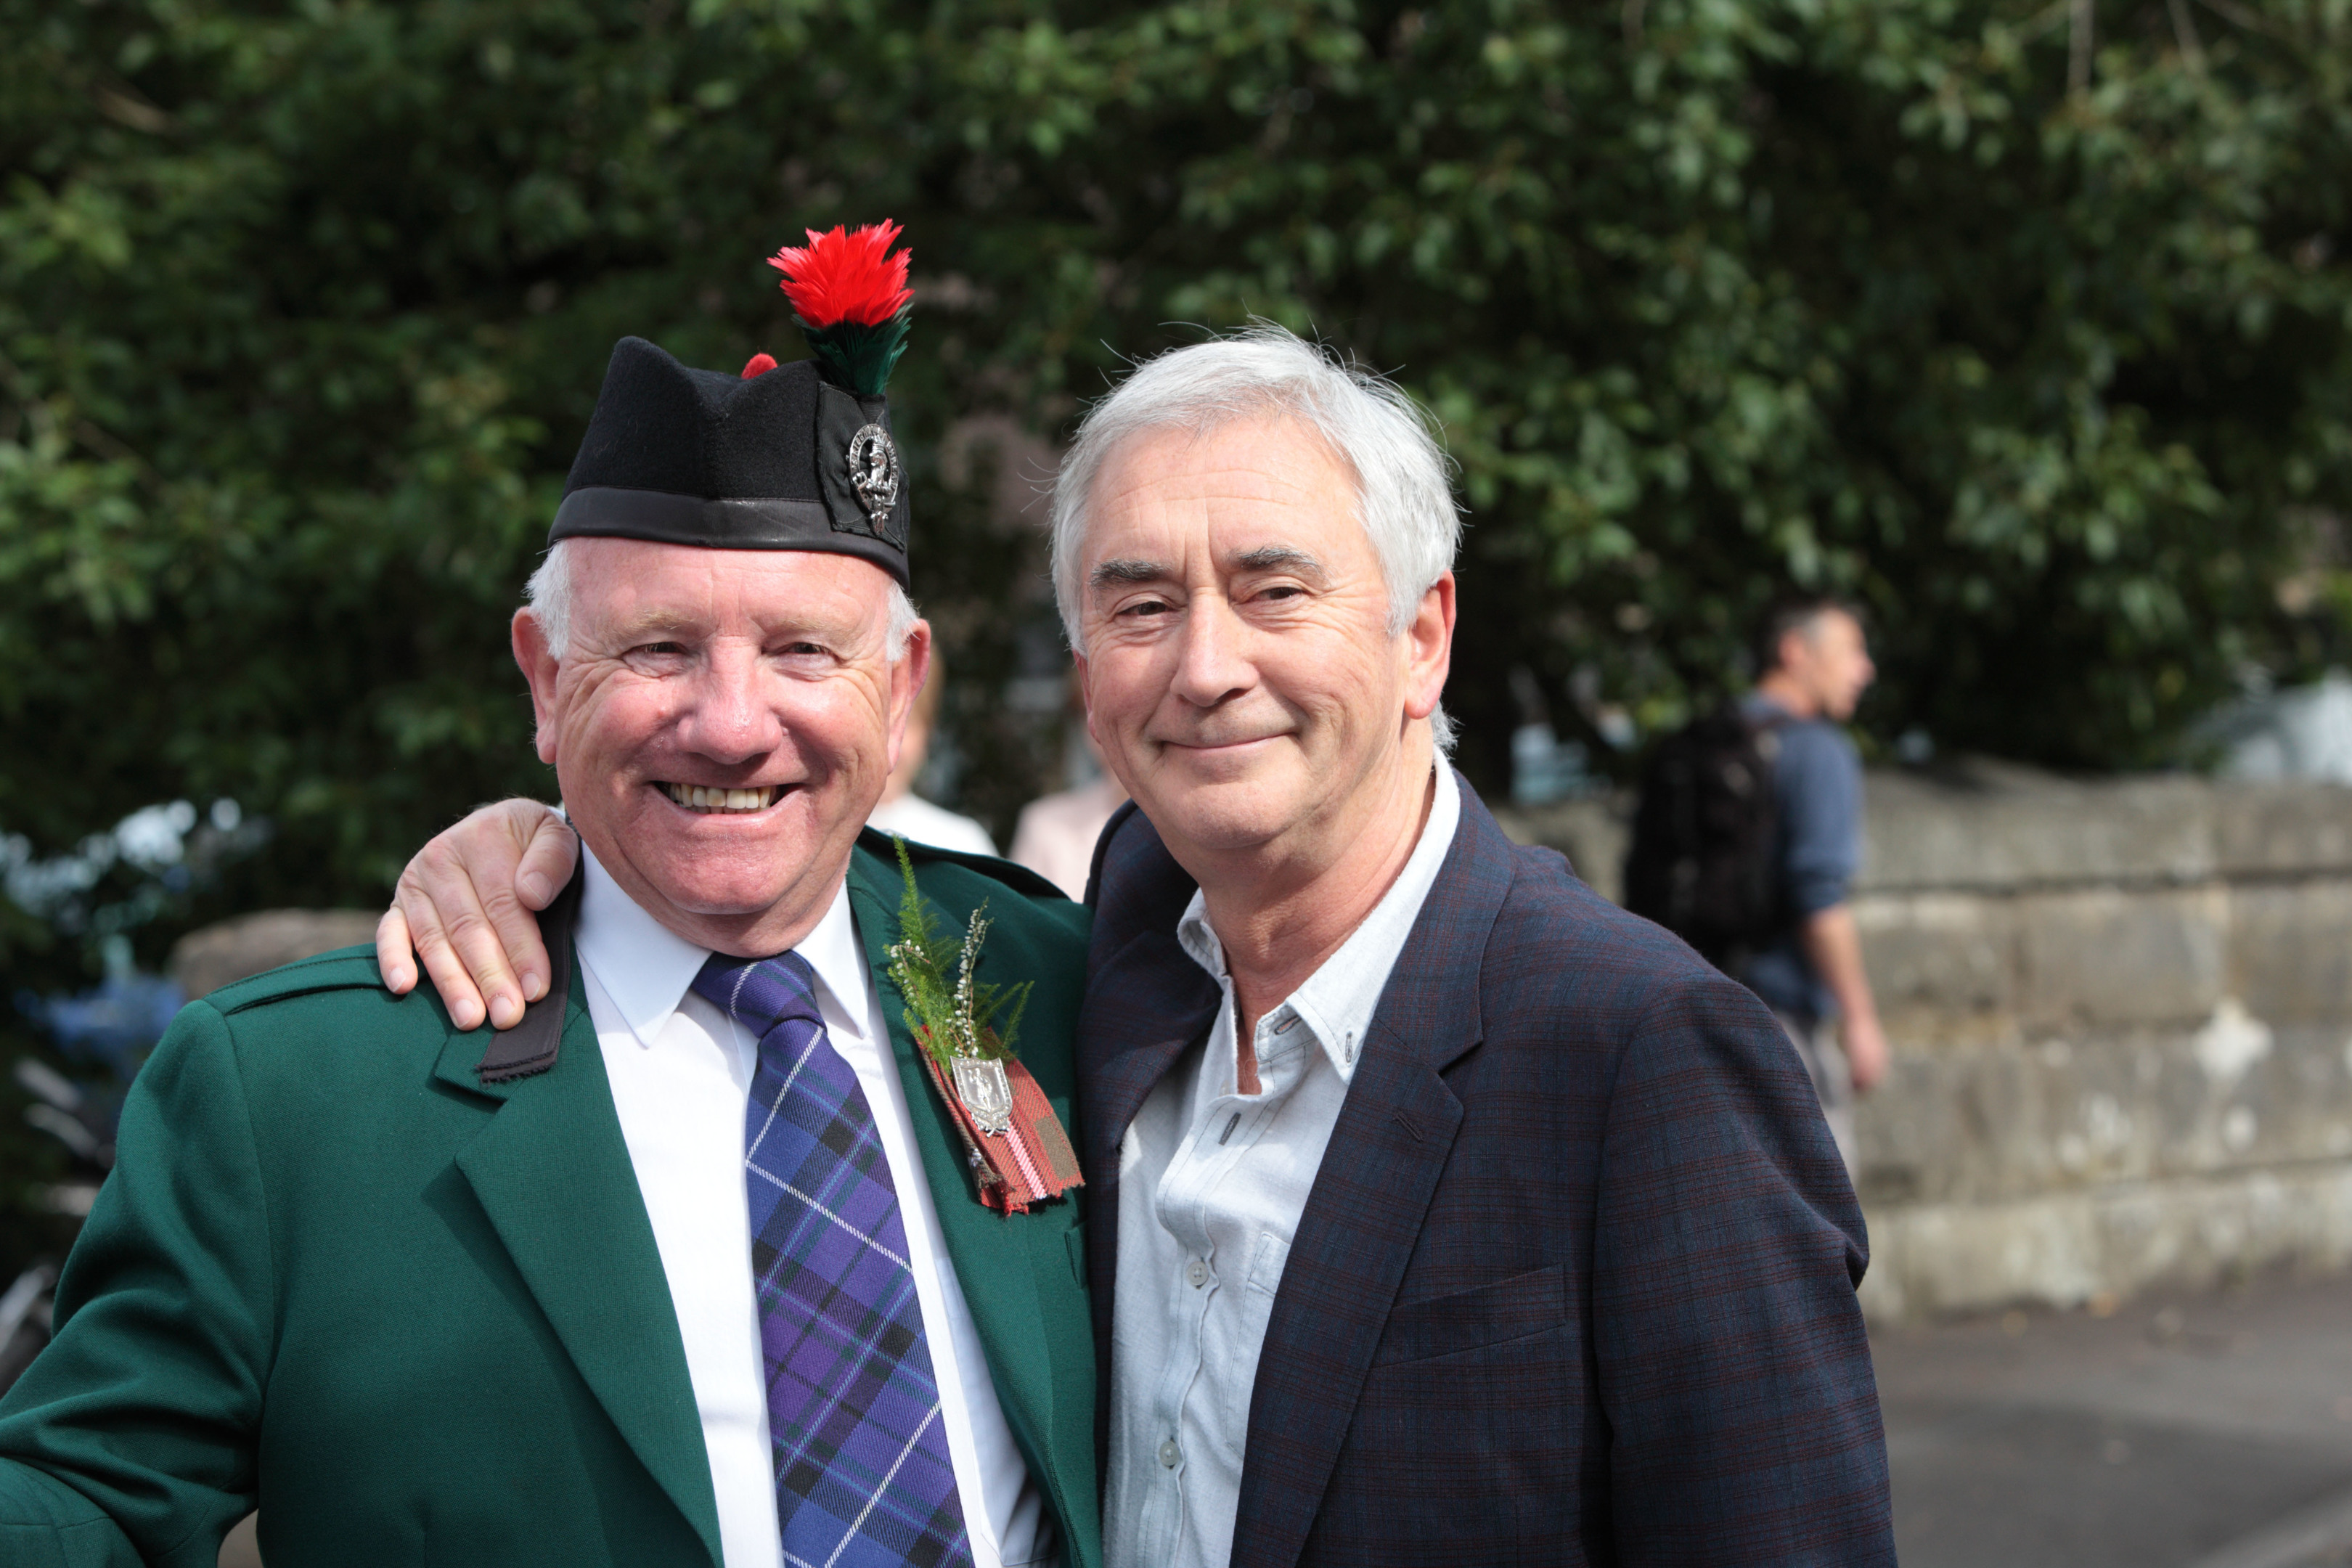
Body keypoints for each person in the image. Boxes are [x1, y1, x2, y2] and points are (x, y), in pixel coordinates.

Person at [390, 327, 1895, 1564]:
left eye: (1274, 588)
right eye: (1142, 604)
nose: (1208, 666)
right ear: (1088, 670)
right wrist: (550, 844)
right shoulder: (1088, 959)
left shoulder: (1641, 1053)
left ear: (1425, 633)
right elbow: (763, 856)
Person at [0, 228, 1101, 1568]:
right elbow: (89, 1498)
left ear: (903, 686)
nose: (732, 723)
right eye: (658, 649)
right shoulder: (289, 1095)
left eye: (804, 651)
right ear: (541, 679)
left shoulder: (1050, 977)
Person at [1740, 593, 1889, 1172]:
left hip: (1690, 1010)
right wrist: (1860, 1019)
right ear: (1795, 651)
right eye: (1852, 650)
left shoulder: (1705, 739)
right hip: (1784, 1027)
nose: (1865, 669)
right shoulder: (1816, 751)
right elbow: (1819, 896)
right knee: (1818, 1233)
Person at [867, 648, 999, 856]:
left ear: (927, 731)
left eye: (904, 722)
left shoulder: (960, 844)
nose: (884, 743)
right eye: (871, 722)